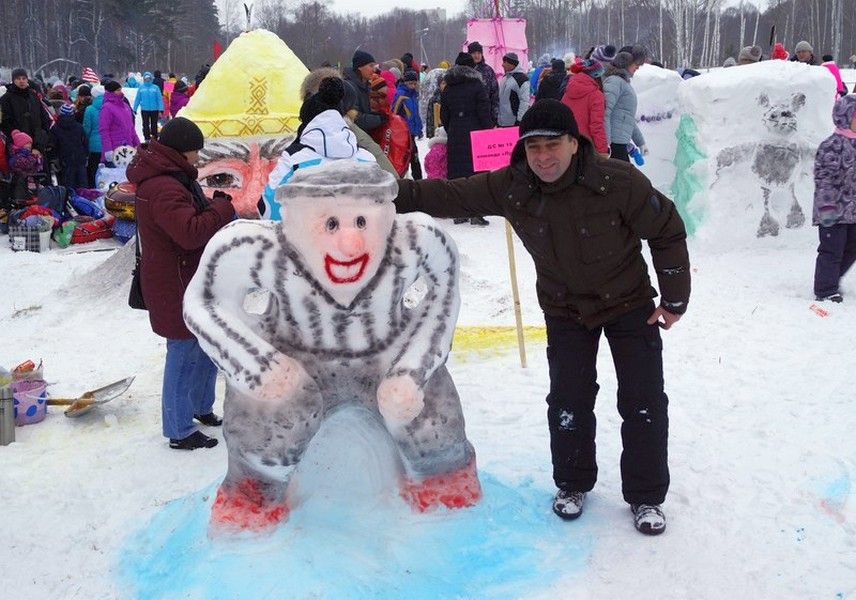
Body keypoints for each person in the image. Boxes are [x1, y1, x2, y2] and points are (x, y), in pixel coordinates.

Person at [393, 100, 690, 535]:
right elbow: (449, 193)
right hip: (566, 308)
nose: (544, 157)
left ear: (574, 142)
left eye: (553, 145)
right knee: (568, 401)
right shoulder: (514, 186)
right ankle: (572, 483)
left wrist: (674, 298)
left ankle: (646, 496)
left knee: (643, 401)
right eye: (534, 148)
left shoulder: (616, 181)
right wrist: (388, 193)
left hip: (629, 305)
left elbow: (666, 228)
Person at [127, 116, 236, 450]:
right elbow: (189, 234)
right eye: (194, 152)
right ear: (181, 151)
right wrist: (220, 208)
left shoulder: (170, 178)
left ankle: (201, 408)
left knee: (203, 347)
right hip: (175, 285)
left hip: (187, 279)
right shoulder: (162, 187)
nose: (197, 159)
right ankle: (178, 429)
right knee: (183, 353)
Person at [812, 95, 856, 303]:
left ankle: (832, 277)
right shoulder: (832, 144)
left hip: (853, 209)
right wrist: (827, 210)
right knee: (832, 250)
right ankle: (825, 289)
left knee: (852, 247)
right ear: (845, 117)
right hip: (833, 209)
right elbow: (824, 179)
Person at [442, 52, 492, 226]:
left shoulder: (448, 87)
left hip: (456, 133)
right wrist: (487, 131)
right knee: (476, 174)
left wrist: (452, 129)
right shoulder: (477, 85)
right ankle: (476, 212)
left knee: (457, 174)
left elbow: (444, 115)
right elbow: (484, 111)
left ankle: (459, 212)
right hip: (476, 133)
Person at [603, 52, 647, 162]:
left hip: (620, 142)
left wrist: (640, 142)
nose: (637, 66)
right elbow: (605, 111)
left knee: (624, 177)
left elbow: (627, 117)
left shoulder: (623, 82)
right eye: (634, 63)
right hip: (614, 143)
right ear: (625, 64)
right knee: (624, 177)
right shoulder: (614, 81)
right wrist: (606, 143)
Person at [561, 58, 608, 157]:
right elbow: (596, 126)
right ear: (597, 76)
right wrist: (603, 151)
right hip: (587, 147)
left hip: (567, 145)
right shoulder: (596, 95)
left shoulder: (568, 91)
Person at [0, 68, 52, 155]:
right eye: (18, 78)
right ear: (13, 80)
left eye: (24, 78)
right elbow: (5, 123)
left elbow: (44, 119)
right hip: (17, 147)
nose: (21, 81)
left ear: (27, 80)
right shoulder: (6, 99)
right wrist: (19, 140)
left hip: (38, 146)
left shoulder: (33, 96)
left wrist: (39, 145)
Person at [343, 49, 387, 134]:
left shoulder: (365, 85)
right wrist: (379, 119)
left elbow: (364, 110)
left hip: (363, 131)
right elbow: (355, 119)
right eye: (371, 66)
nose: (374, 70)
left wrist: (377, 114)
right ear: (359, 67)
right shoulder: (349, 87)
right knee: (375, 148)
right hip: (352, 133)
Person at [98, 80, 140, 166]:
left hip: (128, 149)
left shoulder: (125, 106)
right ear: (110, 92)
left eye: (120, 89)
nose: (121, 92)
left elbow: (131, 128)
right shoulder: (107, 107)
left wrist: (137, 143)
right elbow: (104, 130)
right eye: (118, 90)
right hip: (115, 150)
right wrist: (108, 149)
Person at [392, 70, 424, 179]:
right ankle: (406, 178)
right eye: (410, 83)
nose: (413, 86)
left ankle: (417, 179)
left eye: (415, 83)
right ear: (405, 83)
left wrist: (419, 128)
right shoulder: (401, 94)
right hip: (403, 131)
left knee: (414, 156)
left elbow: (415, 114)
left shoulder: (414, 95)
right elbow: (394, 112)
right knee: (409, 156)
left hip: (412, 131)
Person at [50, 104, 88, 189]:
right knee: (82, 185)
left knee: (68, 186)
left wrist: (54, 159)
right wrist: (86, 155)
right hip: (79, 158)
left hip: (64, 160)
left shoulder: (55, 128)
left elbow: (53, 145)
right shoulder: (79, 127)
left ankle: (68, 201)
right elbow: (85, 142)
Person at [468, 41, 499, 126]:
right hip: (468, 113)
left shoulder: (488, 70)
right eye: (474, 53)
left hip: (486, 113)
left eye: (479, 53)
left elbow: (495, 94)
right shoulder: (466, 70)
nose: (476, 55)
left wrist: (494, 115)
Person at [498, 53, 530, 127]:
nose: (502, 65)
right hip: (502, 121)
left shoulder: (522, 79)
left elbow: (524, 101)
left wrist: (520, 120)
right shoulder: (505, 77)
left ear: (512, 64)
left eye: (505, 62)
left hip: (513, 122)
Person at [82, 85, 104, 188]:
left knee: (93, 169)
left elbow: (87, 129)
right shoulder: (108, 107)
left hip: (93, 145)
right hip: (107, 144)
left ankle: (93, 188)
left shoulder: (89, 109)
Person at [133, 72, 165, 141]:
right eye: (146, 78)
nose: (147, 80)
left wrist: (161, 109)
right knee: (145, 124)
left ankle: (154, 137)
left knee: (154, 124)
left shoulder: (155, 87)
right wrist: (134, 109)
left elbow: (159, 99)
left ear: (151, 78)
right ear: (144, 79)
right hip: (145, 109)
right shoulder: (141, 88)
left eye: (149, 78)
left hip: (154, 109)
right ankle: (146, 138)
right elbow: (137, 99)